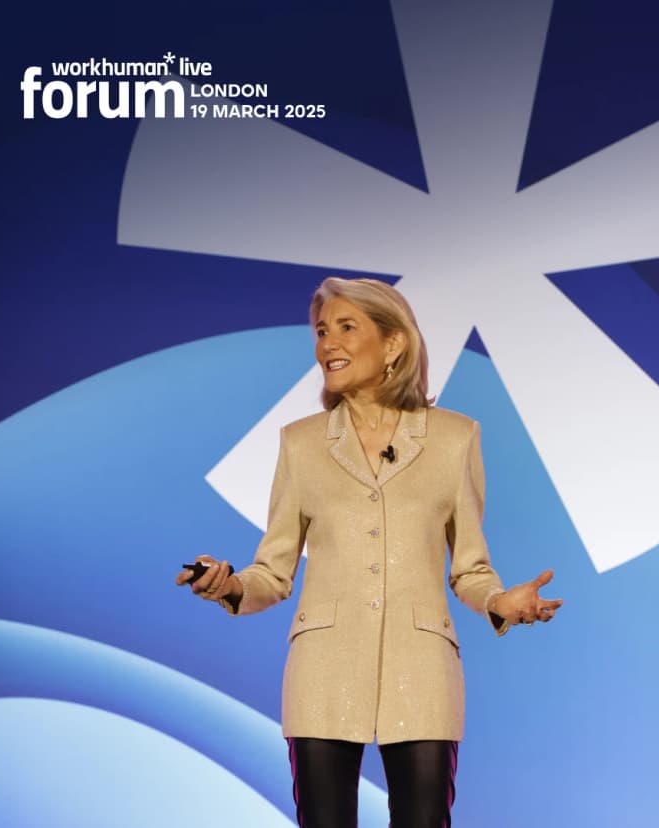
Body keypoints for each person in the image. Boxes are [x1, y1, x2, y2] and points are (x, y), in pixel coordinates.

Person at [176, 276, 563, 827]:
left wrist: (500, 601)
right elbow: (273, 572)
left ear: (393, 344)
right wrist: (232, 583)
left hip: (423, 668)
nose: (327, 343)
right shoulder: (301, 442)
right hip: (323, 668)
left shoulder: (455, 438)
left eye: (346, 328)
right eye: (321, 331)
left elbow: (470, 568)